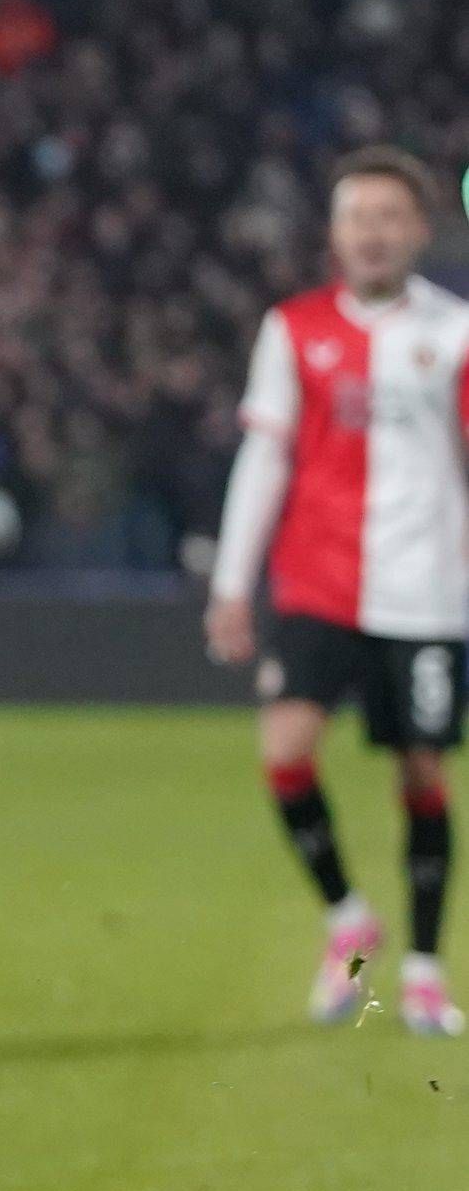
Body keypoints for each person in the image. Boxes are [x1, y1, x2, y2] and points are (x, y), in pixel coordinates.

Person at [206, 147, 469, 1034]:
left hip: (426, 585)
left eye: (389, 217)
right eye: (357, 217)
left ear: (418, 231)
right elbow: (264, 454)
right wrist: (231, 582)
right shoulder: (292, 329)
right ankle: (349, 923)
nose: (372, 233)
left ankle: (426, 970)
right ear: (334, 232)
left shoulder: (456, 332)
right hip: (319, 581)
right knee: (284, 751)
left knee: (421, 770)